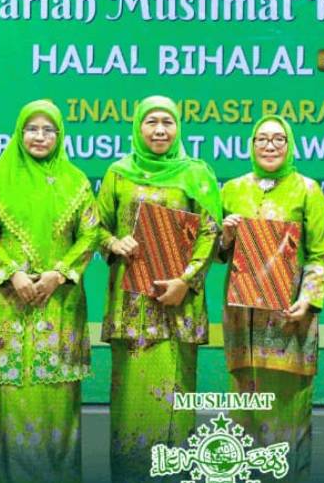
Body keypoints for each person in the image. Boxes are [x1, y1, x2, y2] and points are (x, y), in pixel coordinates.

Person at [0, 100, 99, 483]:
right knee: (5, 395)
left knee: (55, 398)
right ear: (19, 133)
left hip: (58, 305)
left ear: (60, 136)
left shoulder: (76, 182)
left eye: (48, 130)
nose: (39, 137)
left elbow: (89, 235)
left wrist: (59, 274)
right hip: (5, 305)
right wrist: (13, 274)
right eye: (32, 129)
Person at [96, 95, 220, 483]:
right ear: (138, 127)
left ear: (178, 128)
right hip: (130, 306)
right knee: (131, 403)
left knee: (174, 400)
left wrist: (187, 281)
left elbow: (210, 233)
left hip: (177, 307)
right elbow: (95, 227)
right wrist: (114, 243)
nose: (160, 130)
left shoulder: (196, 173)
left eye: (168, 122)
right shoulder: (118, 173)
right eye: (151, 122)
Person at [217, 115, 324, 482]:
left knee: (287, 410)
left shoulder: (308, 190)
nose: (270, 145)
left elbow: (321, 254)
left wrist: (309, 299)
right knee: (244, 409)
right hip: (242, 320)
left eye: (278, 139)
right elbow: (219, 253)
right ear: (251, 145)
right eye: (262, 139)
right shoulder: (232, 189)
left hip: (289, 317)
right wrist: (226, 236)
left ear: (290, 145)